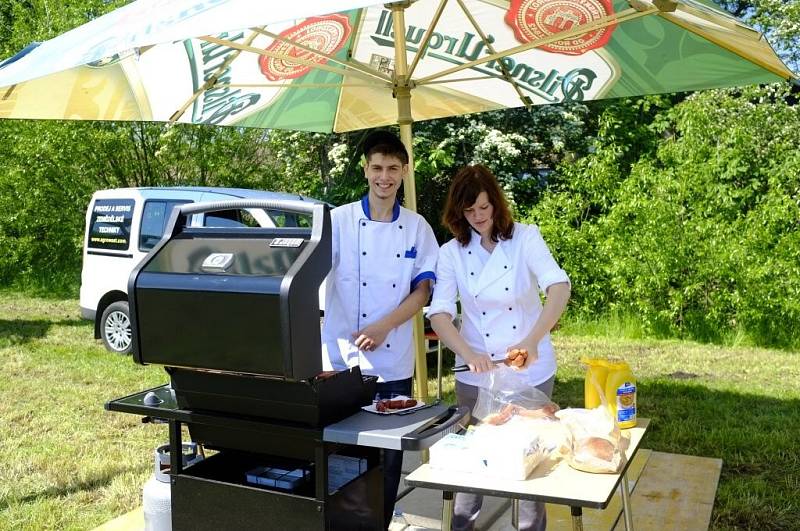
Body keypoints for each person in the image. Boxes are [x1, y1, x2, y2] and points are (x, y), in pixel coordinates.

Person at [427, 164, 571, 531]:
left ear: (497, 203)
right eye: (469, 211)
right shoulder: (451, 253)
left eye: (484, 208)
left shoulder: (525, 238)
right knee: (471, 460)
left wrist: (532, 340)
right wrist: (469, 353)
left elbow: (558, 287)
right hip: (477, 372)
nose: (478, 217)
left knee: (529, 459)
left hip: (531, 369)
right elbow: (440, 313)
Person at [321, 130, 438, 529]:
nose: (384, 176)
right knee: (340, 455)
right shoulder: (338, 221)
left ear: (405, 171)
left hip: (393, 363)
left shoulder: (418, 227)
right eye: (377, 168)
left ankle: (382, 523)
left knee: (388, 461)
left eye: (392, 168)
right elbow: (308, 277)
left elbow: (423, 291)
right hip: (341, 361)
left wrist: (385, 325)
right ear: (366, 170)